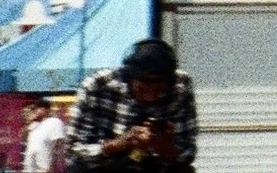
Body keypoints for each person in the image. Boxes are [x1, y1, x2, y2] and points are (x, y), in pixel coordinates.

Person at [67, 38, 198, 171]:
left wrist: (166, 147)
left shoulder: (180, 86)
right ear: (128, 79)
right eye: (142, 90)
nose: (150, 97)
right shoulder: (97, 86)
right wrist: (117, 144)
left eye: (159, 91)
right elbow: (74, 150)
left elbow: (187, 152)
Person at [24, 101, 70, 173]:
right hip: (30, 167)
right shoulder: (34, 125)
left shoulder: (54, 122)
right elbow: (24, 138)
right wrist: (28, 122)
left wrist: (52, 165)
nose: (35, 111)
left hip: (45, 166)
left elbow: (58, 144)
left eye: (37, 109)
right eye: (34, 109)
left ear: (46, 110)